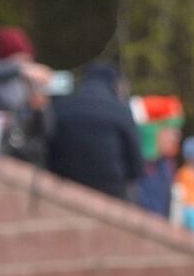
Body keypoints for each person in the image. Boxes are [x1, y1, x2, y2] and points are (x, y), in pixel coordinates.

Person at [47, 60, 145, 202]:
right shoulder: (121, 111)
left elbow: (49, 146)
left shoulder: (63, 105)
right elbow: (136, 165)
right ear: (114, 83)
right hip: (111, 190)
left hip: (66, 186)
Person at [0, 25, 56, 164]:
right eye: (19, 61)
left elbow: (48, 130)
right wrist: (18, 70)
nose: (27, 67)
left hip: (21, 154)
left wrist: (41, 109)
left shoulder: (27, 85)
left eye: (27, 61)